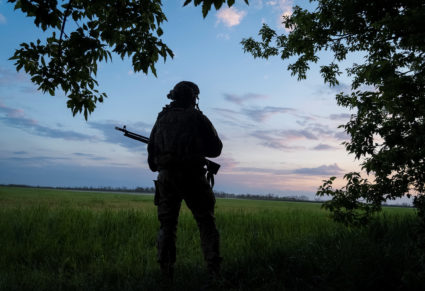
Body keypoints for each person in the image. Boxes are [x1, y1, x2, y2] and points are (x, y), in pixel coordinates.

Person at [147, 81, 223, 285]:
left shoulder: (161, 118)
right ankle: (213, 272)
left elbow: (151, 161)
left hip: (167, 178)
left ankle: (166, 275)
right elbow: (216, 149)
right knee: (206, 222)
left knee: (167, 225)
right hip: (193, 177)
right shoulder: (197, 117)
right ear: (192, 98)